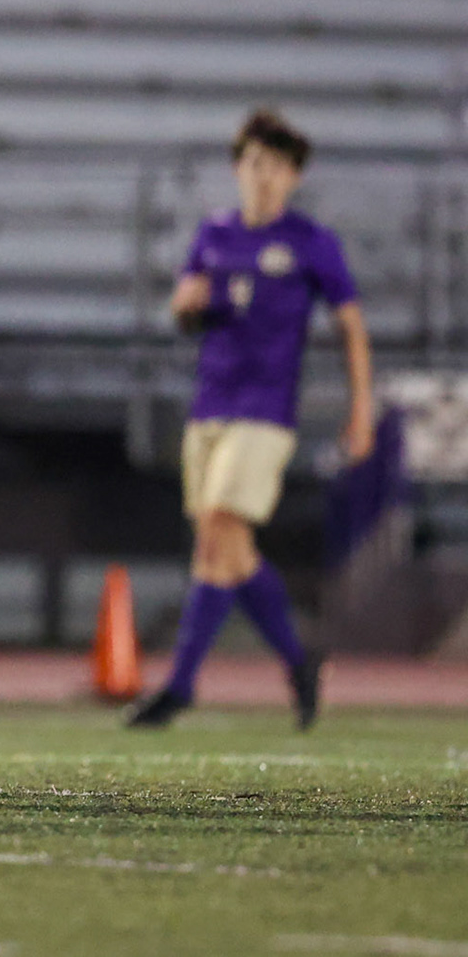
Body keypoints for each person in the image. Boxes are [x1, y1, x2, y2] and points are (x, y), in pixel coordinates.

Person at [127, 110, 373, 730]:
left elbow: (351, 327)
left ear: (294, 176)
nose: (265, 176)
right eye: (256, 163)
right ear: (239, 168)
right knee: (223, 553)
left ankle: (182, 684)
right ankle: (300, 659)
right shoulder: (213, 235)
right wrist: (186, 306)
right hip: (208, 408)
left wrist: (361, 408)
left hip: (265, 413)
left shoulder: (312, 242)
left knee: (218, 531)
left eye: (279, 167)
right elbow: (185, 309)